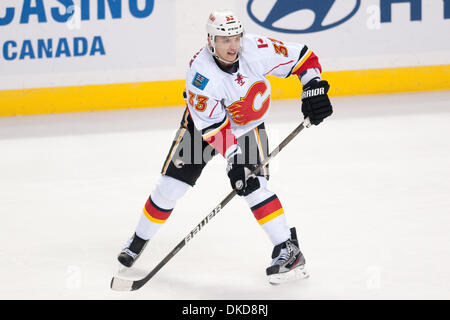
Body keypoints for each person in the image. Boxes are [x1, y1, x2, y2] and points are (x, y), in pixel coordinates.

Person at [117, 9, 332, 284]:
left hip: (249, 126)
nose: (233, 46)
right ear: (211, 41)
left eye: (236, 38)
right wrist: (234, 159)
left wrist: (313, 86)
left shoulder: (257, 49)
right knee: (171, 187)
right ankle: (138, 239)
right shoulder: (201, 74)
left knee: (254, 187)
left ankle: (288, 250)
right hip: (203, 128)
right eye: (224, 40)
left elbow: (303, 57)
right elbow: (212, 128)